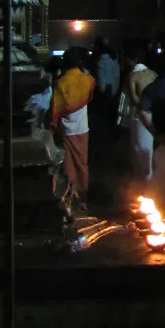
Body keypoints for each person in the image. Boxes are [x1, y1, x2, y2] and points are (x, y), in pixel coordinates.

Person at [50, 50, 97, 217]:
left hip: (66, 130)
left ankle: (71, 199)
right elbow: (91, 91)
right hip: (83, 128)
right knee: (82, 164)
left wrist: (53, 125)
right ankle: (83, 198)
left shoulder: (60, 83)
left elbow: (56, 108)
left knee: (68, 165)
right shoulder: (86, 79)